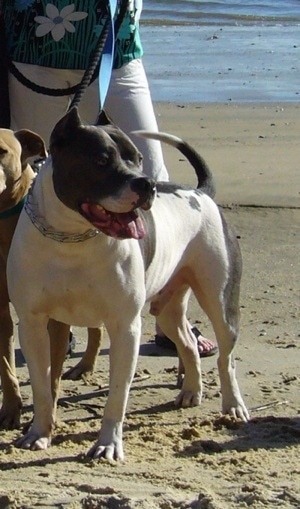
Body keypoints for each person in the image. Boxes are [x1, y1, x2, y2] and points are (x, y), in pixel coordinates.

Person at [1, 0, 217, 357]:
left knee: (152, 179)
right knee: (41, 182)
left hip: (117, 45)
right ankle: (54, 314)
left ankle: (170, 317)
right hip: (35, 45)